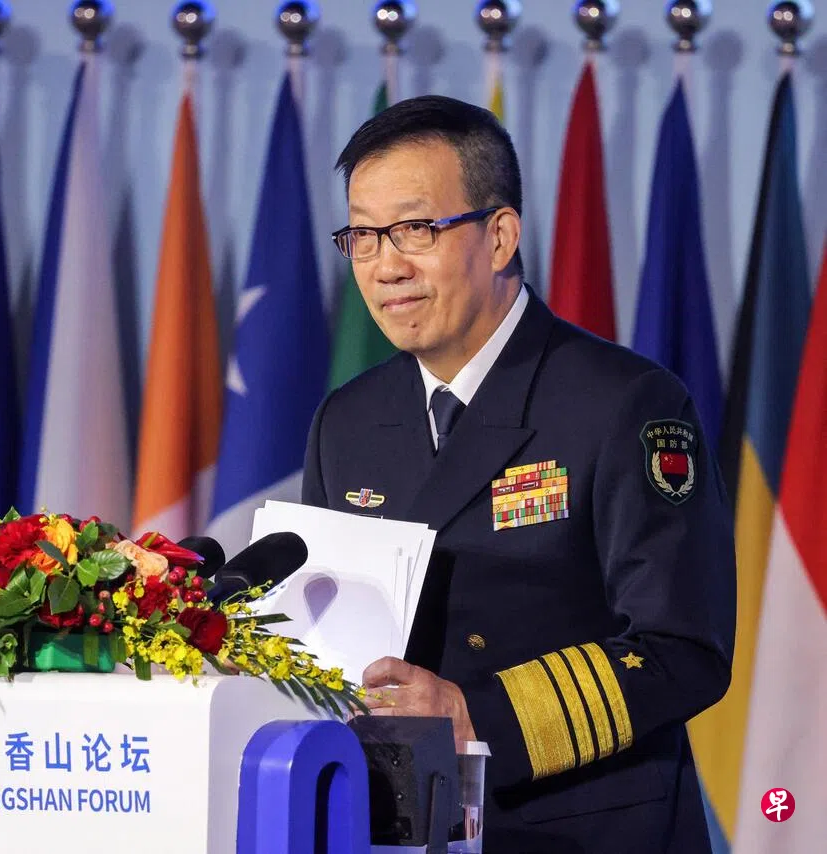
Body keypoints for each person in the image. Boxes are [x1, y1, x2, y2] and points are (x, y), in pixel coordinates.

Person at [302, 95, 735, 854]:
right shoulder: (347, 420)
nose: (386, 266)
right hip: (398, 827)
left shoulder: (625, 402)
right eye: (363, 236)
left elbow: (682, 646)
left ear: (499, 235)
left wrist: (476, 713)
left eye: (415, 229)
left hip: (581, 830)